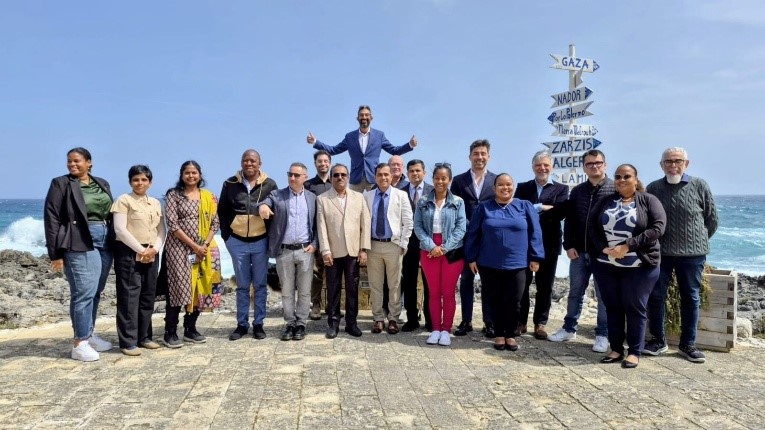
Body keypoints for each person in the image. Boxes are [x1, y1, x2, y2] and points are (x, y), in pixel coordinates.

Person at [644, 147, 719, 363]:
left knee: (691, 297)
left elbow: (712, 220)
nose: (673, 165)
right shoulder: (653, 188)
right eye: (668, 161)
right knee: (656, 296)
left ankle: (688, 345)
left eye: (678, 161)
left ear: (686, 163)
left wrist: (696, 240)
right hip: (661, 253)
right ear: (661, 165)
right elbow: (647, 219)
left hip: (693, 255)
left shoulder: (700, 185)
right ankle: (658, 341)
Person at [589, 164, 666, 369]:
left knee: (635, 307)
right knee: (613, 306)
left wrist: (627, 246)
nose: (621, 180)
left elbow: (658, 227)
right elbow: (591, 227)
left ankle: (634, 352)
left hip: (640, 264)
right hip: (607, 264)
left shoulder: (648, 200)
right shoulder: (606, 201)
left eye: (626, 176)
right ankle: (616, 349)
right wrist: (604, 248)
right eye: (618, 176)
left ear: (635, 179)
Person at [44, 147, 114, 362]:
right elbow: (51, 217)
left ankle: (89, 335)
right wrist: (55, 253)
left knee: (96, 291)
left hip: (105, 240)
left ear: (89, 162)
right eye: (69, 161)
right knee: (83, 292)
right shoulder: (61, 183)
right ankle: (79, 343)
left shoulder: (101, 183)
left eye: (77, 161)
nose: (72, 164)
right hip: (79, 239)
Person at [465, 173, 544, 351]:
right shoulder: (484, 208)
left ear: (513, 187)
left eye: (508, 184)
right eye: (501, 185)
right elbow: (473, 233)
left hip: (518, 263)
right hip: (488, 262)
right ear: (494, 188)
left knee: (514, 300)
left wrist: (535, 257)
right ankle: (499, 334)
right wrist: (471, 257)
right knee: (494, 299)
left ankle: (511, 334)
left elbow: (536, 232)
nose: (505, 188)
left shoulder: (524, 206)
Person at [547, 149, 613, 353]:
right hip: (579, 252)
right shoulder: (577, 191)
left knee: (604, 295)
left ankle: (603, 334)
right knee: (575, 293)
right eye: (589, 164)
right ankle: (569, 329)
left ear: (605, 165)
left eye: (598, 163)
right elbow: (570, 220)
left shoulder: (614, 188)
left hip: (603, 253)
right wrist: (568, 245)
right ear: (584, 167)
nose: (594, 167)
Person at [219, 150, 279, 341]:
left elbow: (276, 211)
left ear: (260, 163)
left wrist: (271, 239)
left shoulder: (270, 184)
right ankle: (242, 324)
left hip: (260, 241)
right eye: (245, 160)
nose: (249, 163)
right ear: (241, 163)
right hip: (237, 241)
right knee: (243, 285)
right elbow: (222, 212)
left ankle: (259, 324)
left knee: (260, 285)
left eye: (253, 160)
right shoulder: (230, 184)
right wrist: (227, 238)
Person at [162, 161, 222, 348]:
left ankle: (190, 328)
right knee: (178, 288)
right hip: (178, 249)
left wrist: (204, 245)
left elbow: (215, 223)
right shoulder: (174, 195)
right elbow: (173, 225)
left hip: (204, 249)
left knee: (199, 287)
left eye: (194, 172)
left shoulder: (209, 197)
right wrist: (195, 246)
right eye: (187, 173)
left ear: (200, 175)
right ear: (181, 175)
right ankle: (170, 332)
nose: (191, 176)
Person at [259, 162, 319, 341]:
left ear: (305, 177)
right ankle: (290, 323)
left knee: (305, 291)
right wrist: (263, 206)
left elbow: (317, 224)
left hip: (305, 250)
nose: (292, 178)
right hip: (284, 251)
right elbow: (265, 202)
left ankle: (301, 323)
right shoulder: (277, 195)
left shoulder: (312, 198)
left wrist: (315, 243)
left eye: (296, 175)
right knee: (287, 291)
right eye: (290, 174)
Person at [111, 165, 165, 356]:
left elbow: (161, 229)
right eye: (136, 179)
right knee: (129, 297)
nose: (139, 183)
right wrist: (141, 250)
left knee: (148, 295)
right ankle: (128, 342)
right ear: (130, 182)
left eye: (143, 179)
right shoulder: (123, 201)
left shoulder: (155, 203)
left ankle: (145, 337)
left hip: (151, 252)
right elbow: (120, 230)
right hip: (128, 252)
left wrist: (154, 249)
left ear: (150, 182)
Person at [515, 151, 569, 340]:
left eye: (545, 165)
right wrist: (540, 207)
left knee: (545, 286)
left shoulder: (561, 189)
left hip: (549, 243)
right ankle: (520, 322)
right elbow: (517, 209)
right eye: (538, 165)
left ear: (551, 167)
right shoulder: (523, 188)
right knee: (522, 284)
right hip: (524, 243)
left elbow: (560, 213)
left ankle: (540, 323)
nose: (542, 168)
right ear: (533, 167)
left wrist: (531, 210)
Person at [414, 163, 467, 346]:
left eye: (444, 178)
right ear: (433, 179)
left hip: (452, 251)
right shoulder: (423, 201)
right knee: (434, 292)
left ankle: (446, 330)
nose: (440, 181)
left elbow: (461, 228)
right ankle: (436, 329)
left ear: (449, 180)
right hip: (428, 250)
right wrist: (432, 246)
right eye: (437, 178)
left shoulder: (458, 202)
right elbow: (418, 226)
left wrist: (443, 248)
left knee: (448, 292)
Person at [307, 105, 418, 192]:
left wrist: (410, 145)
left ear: (371, 118)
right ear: (357, 118)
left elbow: (394, 151)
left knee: (374, 207)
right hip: (356, 180)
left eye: (366, 115)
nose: (364, 117)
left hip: (373, 178)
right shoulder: (350, 137)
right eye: (361, 115)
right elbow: (333, 150)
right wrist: (315, 142)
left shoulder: (379, 135)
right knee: (354, 207)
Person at [317, 164, 371, 338]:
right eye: (336, 175)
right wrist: (325, 250)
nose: (340, 178)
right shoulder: (322, 199)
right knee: (333, 289)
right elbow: (321, 227)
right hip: (332, 252)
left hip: (353, 252)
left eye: (343, 175)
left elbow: (365, 224)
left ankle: (351, 323)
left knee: (352, 289)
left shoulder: (359, 197)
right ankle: (333, 324)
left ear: (348, 177)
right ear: (331, 177)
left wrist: (363, 249)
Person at [450, 139, 497, 337]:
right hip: (465, 239)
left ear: (488, 156)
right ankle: (466, 320)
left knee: (488, 282)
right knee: (466, 281)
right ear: (470, 156)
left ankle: (489, 321)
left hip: (488, 239)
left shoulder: (496, 180)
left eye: (483, 154)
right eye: (476, 154)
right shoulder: (458, 181)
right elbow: (452, 209)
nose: (479, 157)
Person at [363, 163, 413, 334]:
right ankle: (378, 318)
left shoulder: (401, 195)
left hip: (393, 245)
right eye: (380, 174)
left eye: (386, 174)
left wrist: (403, 244)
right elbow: (363, 222)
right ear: (375, 177)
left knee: (395, 284)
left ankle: (393, 318)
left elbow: (408, 222)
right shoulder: (367, 196)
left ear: (392, 176)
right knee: (375, 284)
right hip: (373, 245)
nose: (383, 177)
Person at [401, 159, 434, 332]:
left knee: (429, 283)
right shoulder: (400, 191)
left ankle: (430, 319)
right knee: (409, 281)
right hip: (408, 243)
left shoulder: (433, 191)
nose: (415, 173)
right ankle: (412, 318)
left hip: (429, 242)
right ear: (407, 173)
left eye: (418, 170)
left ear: (424, 172)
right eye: (411, 171)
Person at [304, 150, 333, 320]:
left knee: (333, 271)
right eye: (319, 161)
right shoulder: (307, 185)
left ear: (330, 163)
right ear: (315, 164)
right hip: (314, 234)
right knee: (316, 272)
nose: (323, 164)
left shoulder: (336, 182)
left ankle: (332, 305)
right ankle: (316, 304)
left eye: (325, 161)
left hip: (333, 235)